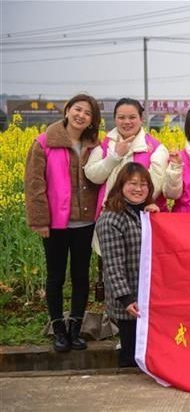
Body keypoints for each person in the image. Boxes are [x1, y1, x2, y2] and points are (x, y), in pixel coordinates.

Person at [25, 94, 101, 353]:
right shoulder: (45, 142)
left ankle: (75, 329)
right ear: (67, 111)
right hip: (56, 224)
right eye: (77, 109)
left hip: (85, 223)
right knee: (55, 276)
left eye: (87, 113)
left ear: (92, 120)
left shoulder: (94, 145)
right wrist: (39, 220)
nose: (81, 115)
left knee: (81, 277)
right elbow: (35, 184)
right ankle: (58, 329)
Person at [96, 163, 159, 368]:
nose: (138, 189)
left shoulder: (145, 214)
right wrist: (126, 298)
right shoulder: (111, 219)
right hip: (129, 302)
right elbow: (113, 266)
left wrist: (158, 220)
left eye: (143, 184)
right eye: (132, 184)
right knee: (131, 354)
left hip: (148, 296)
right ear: (121, 186)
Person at [84, 98, 169, 217]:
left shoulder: (156, 149)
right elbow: (93, 176)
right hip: (108, 215)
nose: (127, 122)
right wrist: (115, 156)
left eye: (132, 117)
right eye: (121, 117)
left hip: (142, 217)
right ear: (115, 119)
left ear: (141, 119)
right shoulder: (105, 145)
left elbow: (154, 188)